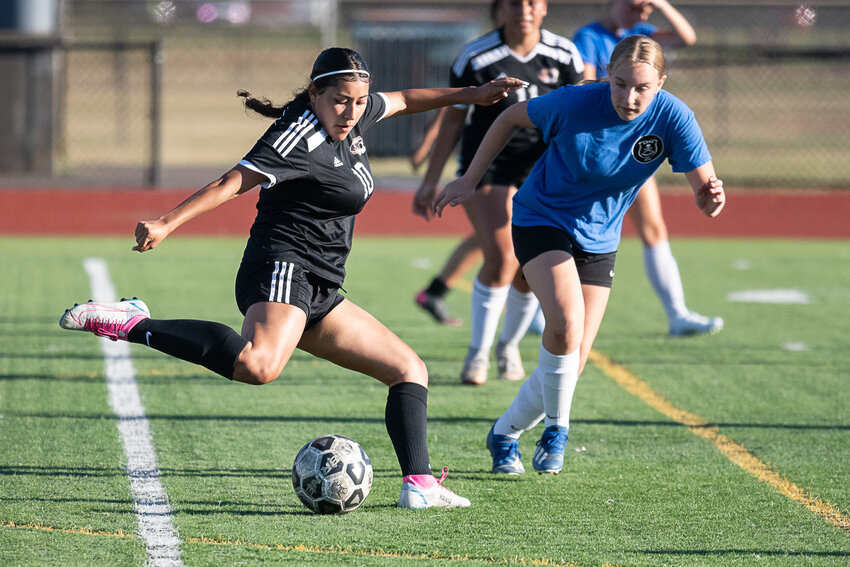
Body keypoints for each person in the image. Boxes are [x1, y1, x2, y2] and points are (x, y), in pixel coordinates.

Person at [59, 47, 524, 508]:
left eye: (360, 101)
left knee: (408, 370)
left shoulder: (356, 118)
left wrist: (473, 94)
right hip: (283, 266)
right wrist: (166, 222)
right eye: (341, 100)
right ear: (315, 93)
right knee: (259, 365)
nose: (351, 110)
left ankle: (419, 485)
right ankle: (131, 322)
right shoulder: (296, 135)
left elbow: (404, 98)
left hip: (322, 284)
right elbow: (233, 181)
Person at [433, 35, 726, 474]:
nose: (629, 97)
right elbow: (509, 117)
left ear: (661, 83)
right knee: (566, 324)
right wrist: (472, 178)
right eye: (620, 83)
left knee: (574, 359)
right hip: (540, 219)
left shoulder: (676, 117)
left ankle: (504, 434)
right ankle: (557, 432)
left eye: (642, 88)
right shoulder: (573, 102)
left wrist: (710, 201)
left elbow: (706, 191)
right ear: (607, 75)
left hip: (600, 239)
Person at [413, 0, 584, 385]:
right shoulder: (477, 56)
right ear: (499, 10)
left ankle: (507, 345)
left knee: (528, 267)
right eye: (514, 2)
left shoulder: (565, 54)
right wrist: (430, 180)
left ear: (544, 9)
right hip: (487, 167)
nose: (524, 9)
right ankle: (477, 355)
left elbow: (580, 110)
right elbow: (453, 118)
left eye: (532, 2)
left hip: (543, 171)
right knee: (502, 256)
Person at [573, 0, 723, 337]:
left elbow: (687, 38)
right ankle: (536, 310)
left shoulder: (641, 35)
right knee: (564, 232)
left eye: (646, 9)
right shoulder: (588, 36)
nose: (640, 14)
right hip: (595, 147)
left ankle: (677, 313)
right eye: (634, 7)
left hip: (631, 151)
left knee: (653, 228)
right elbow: (583, 87)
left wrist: (661, 4)